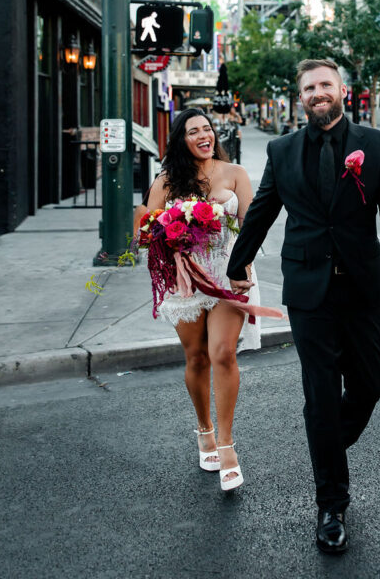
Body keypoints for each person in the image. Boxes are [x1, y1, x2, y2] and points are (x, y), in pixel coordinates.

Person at [227, 58, 380, 555]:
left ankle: (328, 444)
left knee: (371, 381)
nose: (317, 93)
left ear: (342, 90)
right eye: (309, 87)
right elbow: (263, 211)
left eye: (324, 85)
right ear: (302, 97)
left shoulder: (375, 146)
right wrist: (236, 268)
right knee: (319, 394)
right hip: (308, 291)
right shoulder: (282, 149)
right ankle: (331, 504)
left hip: (360, 288)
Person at [144, 108, 259, 493]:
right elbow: (149, 229)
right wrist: (172, 234)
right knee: (197, 357)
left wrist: (243, 265)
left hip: (229, 275)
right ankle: (204, 431)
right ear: (182, 140)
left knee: (224, 352)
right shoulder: (165, 180)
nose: (203, 135)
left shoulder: (235, 174)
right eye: (193, 131)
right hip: (187, 281)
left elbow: (252, 224)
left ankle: (227, 446)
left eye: (207, 129)